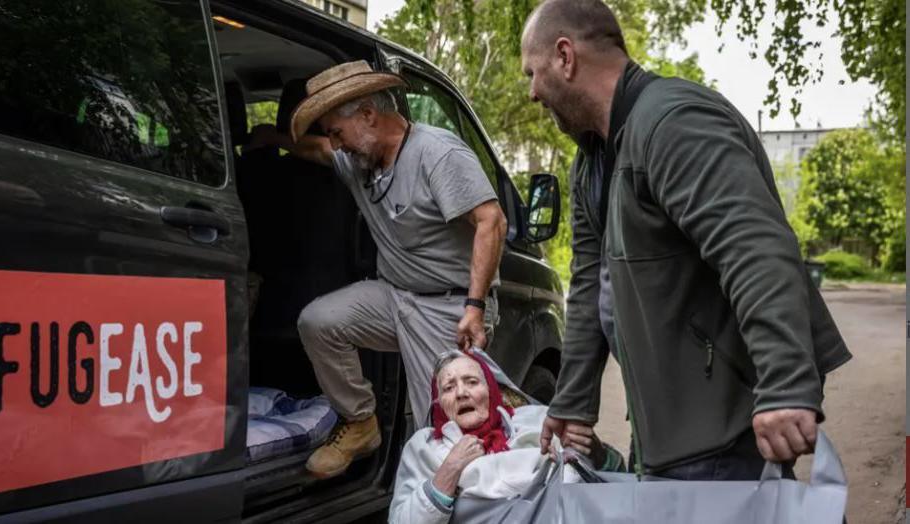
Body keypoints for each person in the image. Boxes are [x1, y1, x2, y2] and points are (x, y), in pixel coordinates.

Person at [521, 0, 852, 480]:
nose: (532, 92)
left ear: (565, 57)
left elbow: (754, 249)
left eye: (532, 72)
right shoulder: (592, 161)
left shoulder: (674, 123)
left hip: (724, 425)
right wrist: (572, 399)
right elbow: (591, 283)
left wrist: (784, 385)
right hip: (666, 425)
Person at [248, 60, 507, 479]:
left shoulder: (436, 153)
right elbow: (316, 150)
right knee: (319, 321)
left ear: (368, 115)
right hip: (395, 297)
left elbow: (492, 221)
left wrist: (474, 306)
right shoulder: (359, 158)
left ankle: (458, 502)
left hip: (449, 308)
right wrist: (272, 138)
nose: (336, 143)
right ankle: (361, 422)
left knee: (444, 430)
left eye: (337, 131)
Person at [388, 351, 623, 524]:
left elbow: (610, 473)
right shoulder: (424, 448)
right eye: (448, 388)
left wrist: (584, 454)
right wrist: (449, 470)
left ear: (491, 390)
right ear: (439, 404)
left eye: (472, 382)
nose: (461, 393)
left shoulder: (536, 422)